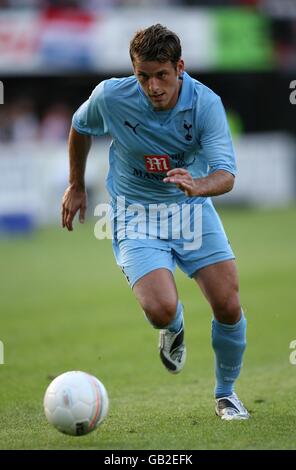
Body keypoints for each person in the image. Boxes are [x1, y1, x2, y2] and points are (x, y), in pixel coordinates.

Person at [61, 24, 249, 421]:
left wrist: (197, 186)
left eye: (161, 75)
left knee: (229, 306)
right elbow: (80, 127)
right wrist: (76, 185)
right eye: (142, 76)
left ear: (179, 67)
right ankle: (174, 327)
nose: (152, 86)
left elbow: (226, 174)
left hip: (191, 210)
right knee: (160, 310)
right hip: (135, 214)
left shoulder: (205, 104)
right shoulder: (111, 97)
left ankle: (226, 395)